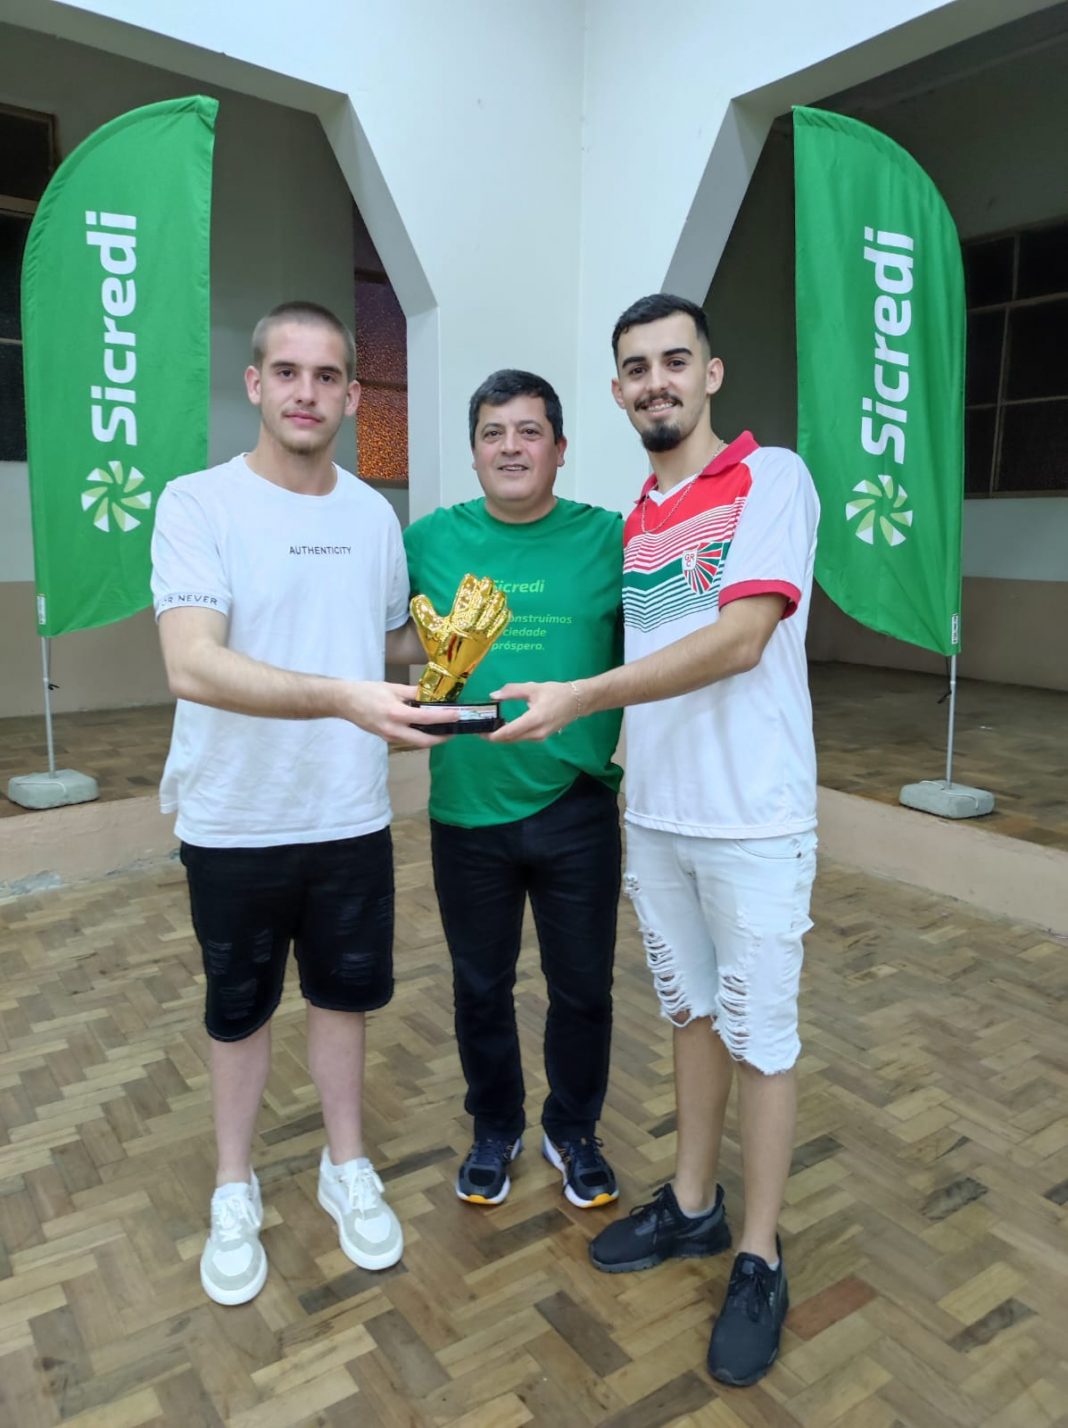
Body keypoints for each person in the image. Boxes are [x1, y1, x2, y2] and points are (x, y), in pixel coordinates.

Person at [491, 296, 819, 1387]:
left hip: (755, 819)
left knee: (761, 1037)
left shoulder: (771, 481)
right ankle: (692, 1204)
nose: (655, 382)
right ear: (619, 390)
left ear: (711, 373)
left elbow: (739, 639)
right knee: (690, 1014)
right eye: (635, 369)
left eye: (675, 361)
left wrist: (582, 696)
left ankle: (760, 1256)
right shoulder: (640, 518)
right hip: (661, 815)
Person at [150, 300, 456, 1307]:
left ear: (352, 396)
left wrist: (461, 632)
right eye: (287, 372)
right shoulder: (199, 505)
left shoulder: (371, 517)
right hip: (235, 816)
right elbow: (193, 664)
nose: (306, 393)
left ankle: (345, 1166)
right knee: (238, 1011)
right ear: (255, 383)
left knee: (343, 998)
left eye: (327, 377)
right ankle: (232, 1185)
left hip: (348, 814)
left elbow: (381, 642)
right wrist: (344, 699)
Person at [399, 369, 624, 1210]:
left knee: (583, 989)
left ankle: (574, 1130)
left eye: (530, 432)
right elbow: (380, 637)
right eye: (493, 433)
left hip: (577, 805)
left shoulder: (610, 539)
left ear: (560, 448)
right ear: (473, 452)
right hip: (467, 806)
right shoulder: (428, 540)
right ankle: (495, 1127)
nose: (511, 448)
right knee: (481, 987)